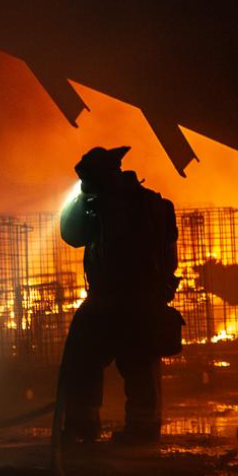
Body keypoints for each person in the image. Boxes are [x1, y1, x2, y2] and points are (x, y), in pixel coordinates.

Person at [57, 145, 179, 446]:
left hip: (119, 298)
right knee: (134, 366)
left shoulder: (112, 205)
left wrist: (84, 199)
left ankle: (87, 429)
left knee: (94, 362)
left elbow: (74, 235)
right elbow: (73, 235)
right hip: (135, 299)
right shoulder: (146, 204)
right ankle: (139, 432)